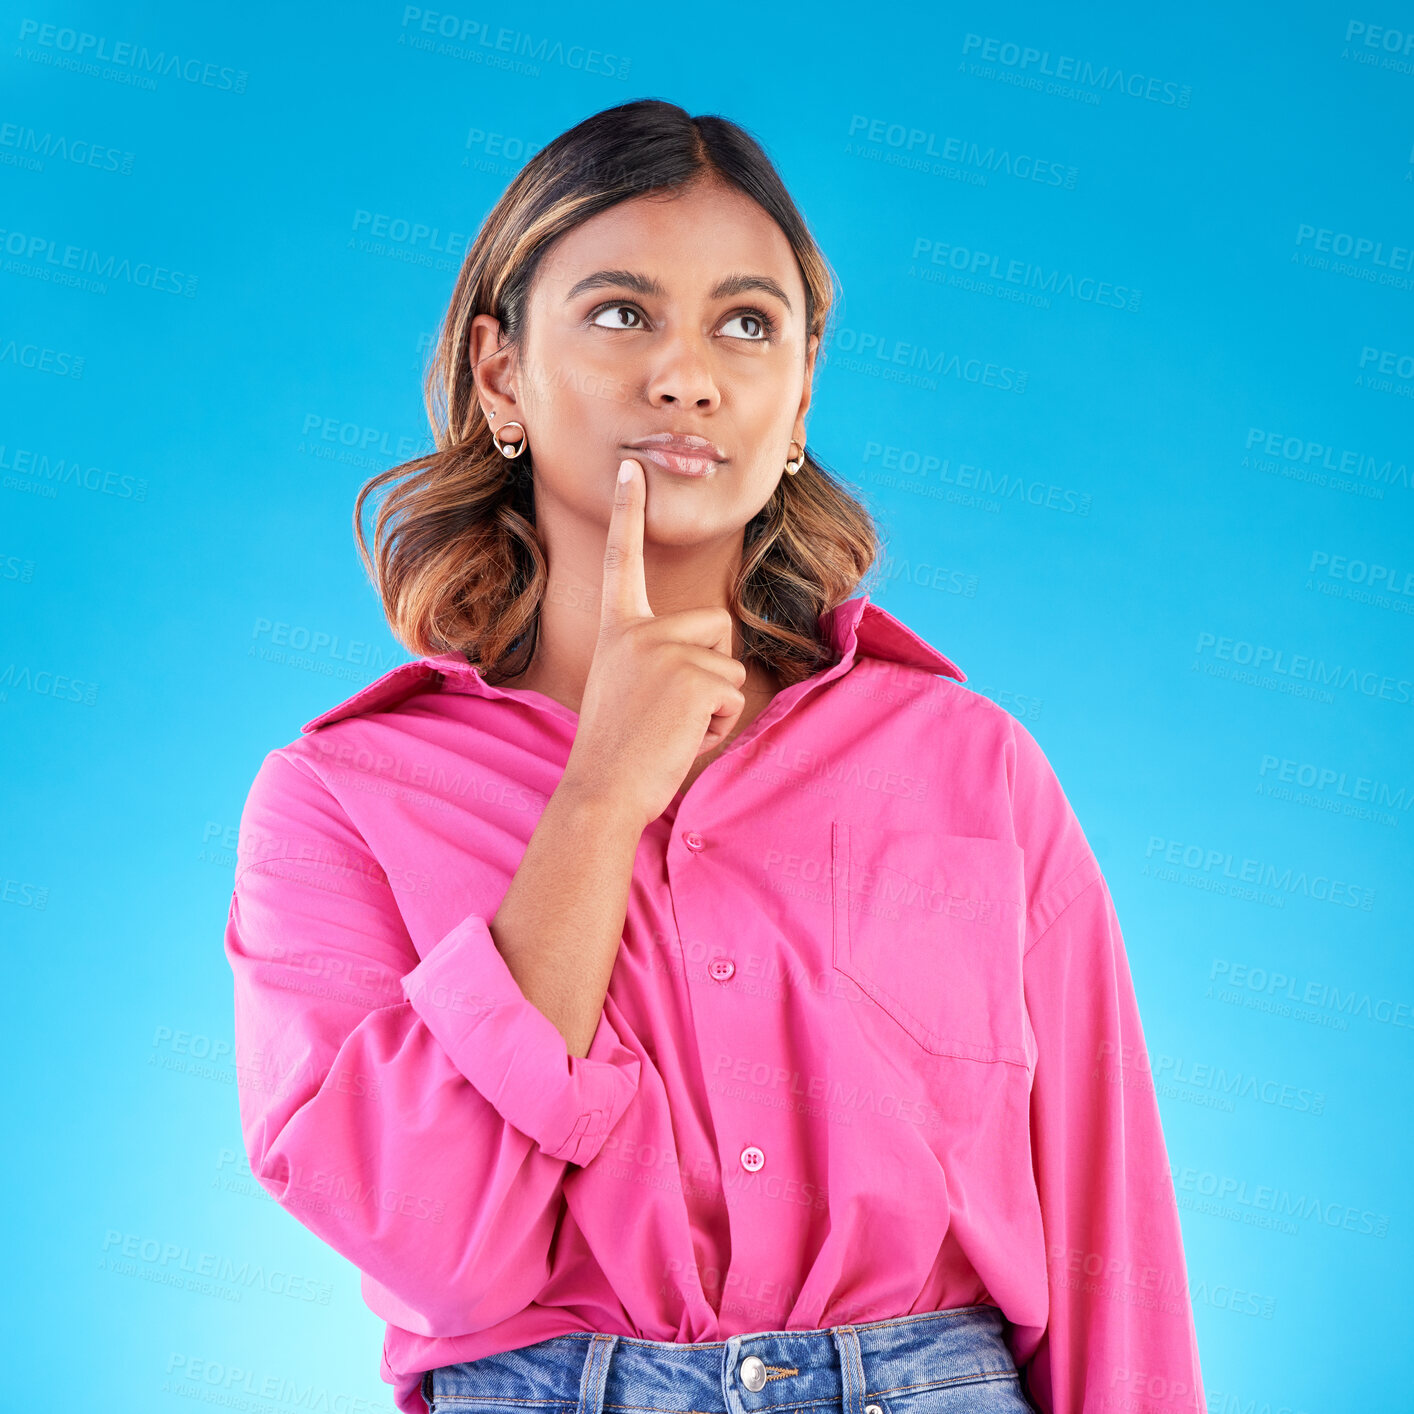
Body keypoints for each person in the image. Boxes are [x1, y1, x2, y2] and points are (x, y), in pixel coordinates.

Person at [225, 99, 1206, 1414]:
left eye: (745, 323)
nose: (686, 373)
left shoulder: (969, 767)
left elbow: (1110, 1237)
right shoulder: (338, 801)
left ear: (797, 394)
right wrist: (597, 797)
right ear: (500, 372)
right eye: (621, 312)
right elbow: (433, 1248)